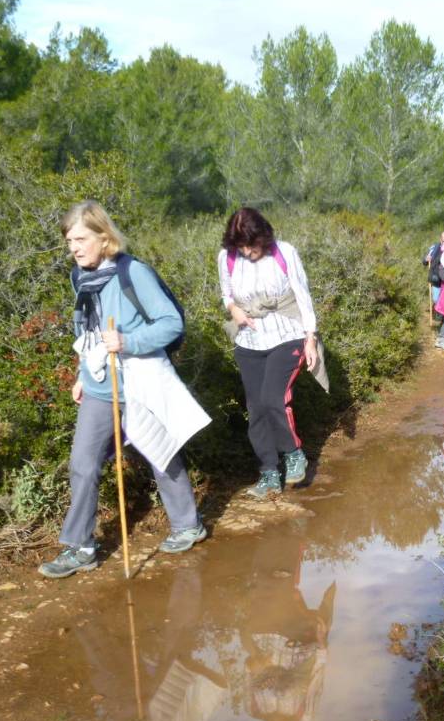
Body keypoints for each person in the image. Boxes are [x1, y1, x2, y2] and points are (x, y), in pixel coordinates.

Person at [40, 201, 208, 579]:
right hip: (101, 384)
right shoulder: (78, 277)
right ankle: (81, 547)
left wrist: (127, 341)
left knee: (159, 452)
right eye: (69, 241)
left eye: (81, 239)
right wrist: (84, 374)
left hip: (140, 378)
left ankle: (188, 525)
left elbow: (170, 323)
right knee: (82, 465)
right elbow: (85, 331)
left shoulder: (134, 273)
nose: (75, 248)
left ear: (104, 236)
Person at [218, 207, 320, 499]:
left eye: (252, 245)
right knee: (257, 409)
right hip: (249, 341)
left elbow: (303, 295)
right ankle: (268, 473)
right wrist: (234, 309)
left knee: (274, 398)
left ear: (264, 236)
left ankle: (293, 453)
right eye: (241, 246)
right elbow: (226, 293)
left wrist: (310, 339)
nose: (248, 251)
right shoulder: (227, 258)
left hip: (287, 335)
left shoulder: (284, 252)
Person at [422, 230, 444, 315]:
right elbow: (425, 261)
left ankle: (443, 318)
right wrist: (426, 259)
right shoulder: (434, 248)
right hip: (436, 278)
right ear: (441, 240)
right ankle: (439, 313)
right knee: (436, 299)